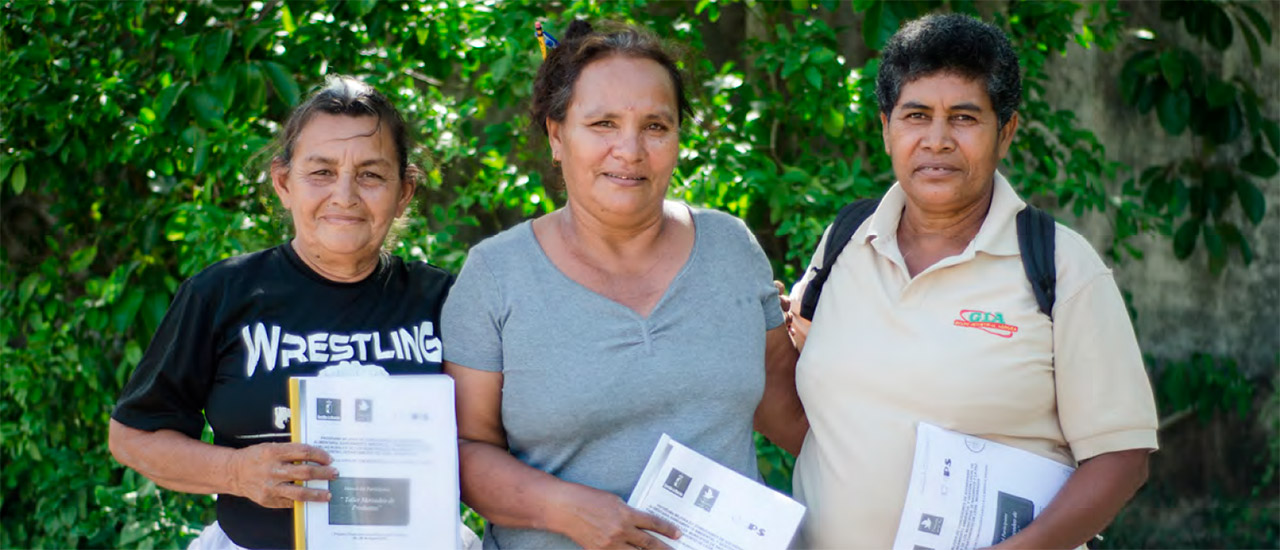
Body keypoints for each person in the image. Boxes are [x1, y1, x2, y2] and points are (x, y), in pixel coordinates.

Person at [784, 13, 1159, 549]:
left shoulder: (1060, 266)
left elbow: (1121, 458)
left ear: (1004, 132)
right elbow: (829, 419)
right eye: (916, 115)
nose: (937, 140)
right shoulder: (845, 241)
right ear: (886, 126)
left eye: (964, 117)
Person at [442, 20, 802, 550]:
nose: (630, 149)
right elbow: (465, 447)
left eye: (656, 126)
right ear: (557, 134)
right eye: (604, 123)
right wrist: (563, 509)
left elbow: (787, 409)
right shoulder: (496, 275)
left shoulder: (730, 247)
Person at [108, 76, 455, 550]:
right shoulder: (223, 294)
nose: (345, 195)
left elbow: (500, 442)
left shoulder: (445, 301)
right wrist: (235, 471)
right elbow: (131, 436)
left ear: (405, 192)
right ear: (283, 183)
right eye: (321, 172)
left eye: (371, 174)